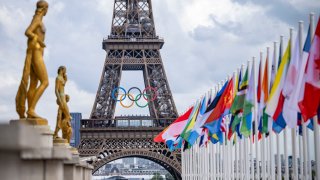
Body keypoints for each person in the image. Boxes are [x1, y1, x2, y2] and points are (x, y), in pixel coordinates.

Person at [15, 0, 49, 119]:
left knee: (34, 83)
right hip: (36, 51)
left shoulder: (38, 18)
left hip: (37, 51)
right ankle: (31, 109)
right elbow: (28, 31)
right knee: (45, 82)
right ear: (44, 8)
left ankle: (31, 111)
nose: (47, 11)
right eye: (47, 8)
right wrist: (39, 40)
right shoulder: (38, 19)